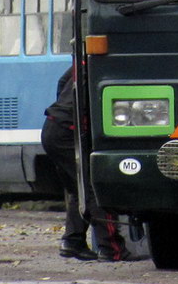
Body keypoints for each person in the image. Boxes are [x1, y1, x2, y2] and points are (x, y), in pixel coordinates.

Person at [42, 65, 132, 260]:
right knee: (93, 186)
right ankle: (112, 248)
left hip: (53, 125)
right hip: (68, 130)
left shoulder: (83, 61)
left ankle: (73, 241)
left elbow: (61, 82)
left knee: (78, 188)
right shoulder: (102, 65)